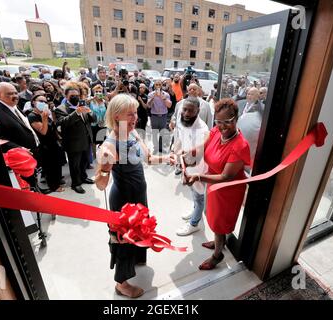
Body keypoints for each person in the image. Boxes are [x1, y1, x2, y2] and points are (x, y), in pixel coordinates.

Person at [95, 94, 169, 298]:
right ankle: (122, 283)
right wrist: (104, 167)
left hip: (139, 195)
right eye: (130, 114)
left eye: (135, 112)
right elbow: (101, 185)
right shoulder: (110, 144)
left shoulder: (133, 133)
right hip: (124, 202)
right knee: (123, 240)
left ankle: (137, 257)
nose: (135, 116)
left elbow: (150, 159)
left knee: (140, 231)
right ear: (116, 116)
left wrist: (168, 157)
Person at [175, 98, 250, 270]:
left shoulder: (240, 145)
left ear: (236, 118)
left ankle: (218, 255)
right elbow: (203, 147)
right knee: (214, 218)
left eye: (227, 122)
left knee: (220, 221)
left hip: (228, 190)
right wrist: (189, 151)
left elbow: (226, 176)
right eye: (218, 121)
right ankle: (220, 242)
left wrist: (199, 177)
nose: (222, 126)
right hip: (214, 185)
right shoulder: (216, 132)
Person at [173, 97, 209, 236]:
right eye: (185, 109)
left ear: (198, 111)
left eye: (190, 111)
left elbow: (199, 155)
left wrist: (187, 169)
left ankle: (194, 223)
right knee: (193, 194)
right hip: (186, 164)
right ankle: (195, 209)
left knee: (199, 197)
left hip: (197, 167)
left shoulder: (202, 129)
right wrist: (176, 155)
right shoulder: (183, 121)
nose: (186, 113)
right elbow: (180, 140)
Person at [55, 86, 96, 194]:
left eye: (77, 95)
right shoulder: (60, 108)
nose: (75, 97)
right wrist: (76, 112)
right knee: (75, 165)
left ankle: (83, 177)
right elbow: (62, 124)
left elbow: (93, 119)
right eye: (72, 96)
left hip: (86, 139)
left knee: (84, 162)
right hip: (73, 142)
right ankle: (76, 184)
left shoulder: (83, 105)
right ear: (66, 96)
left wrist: (90, 112)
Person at [0, 82, 40, 155]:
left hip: (32, 150)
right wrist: (19, 149)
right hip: (19, 156)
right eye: (10, 94)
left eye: (16, 93)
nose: (15, 96)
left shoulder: (11, 103)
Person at [28, 94, 64, 192]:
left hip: (53, 142)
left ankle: (57, 181)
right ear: (34, 102)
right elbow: (43, 132)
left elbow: (53, 125)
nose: (43, 103)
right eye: (40, 101)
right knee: (50, 167)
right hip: (45, 146)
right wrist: (44, 118)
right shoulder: (32, 116)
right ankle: (54, 186)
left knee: (56, 164)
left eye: (45, 101)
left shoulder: (45, 113)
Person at [147, 80, 172, 154]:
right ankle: (155, 148)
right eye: (156, 84)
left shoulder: (166, 94)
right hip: (154, 116)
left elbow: (169, 105)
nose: (158, 86)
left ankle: (161, 148)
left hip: (163, 116)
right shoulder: (151, 94)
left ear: (161, 85)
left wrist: (163, 98)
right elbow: (148, 105)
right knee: (154, 133)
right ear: (154, 86)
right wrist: (153, 97)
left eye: (159, 84)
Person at [89, 84, 107, 157]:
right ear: (93, 92)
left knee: (102, 140)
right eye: (96, 91)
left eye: (100, 91)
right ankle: (94, 156)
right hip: (93, 124)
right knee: (93, 141)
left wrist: (105, 98)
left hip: (102, 124)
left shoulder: (104, 101)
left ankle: (101, 154)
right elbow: (84, 102)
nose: (98, 93)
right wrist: (93, 98)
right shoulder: (90, 101)